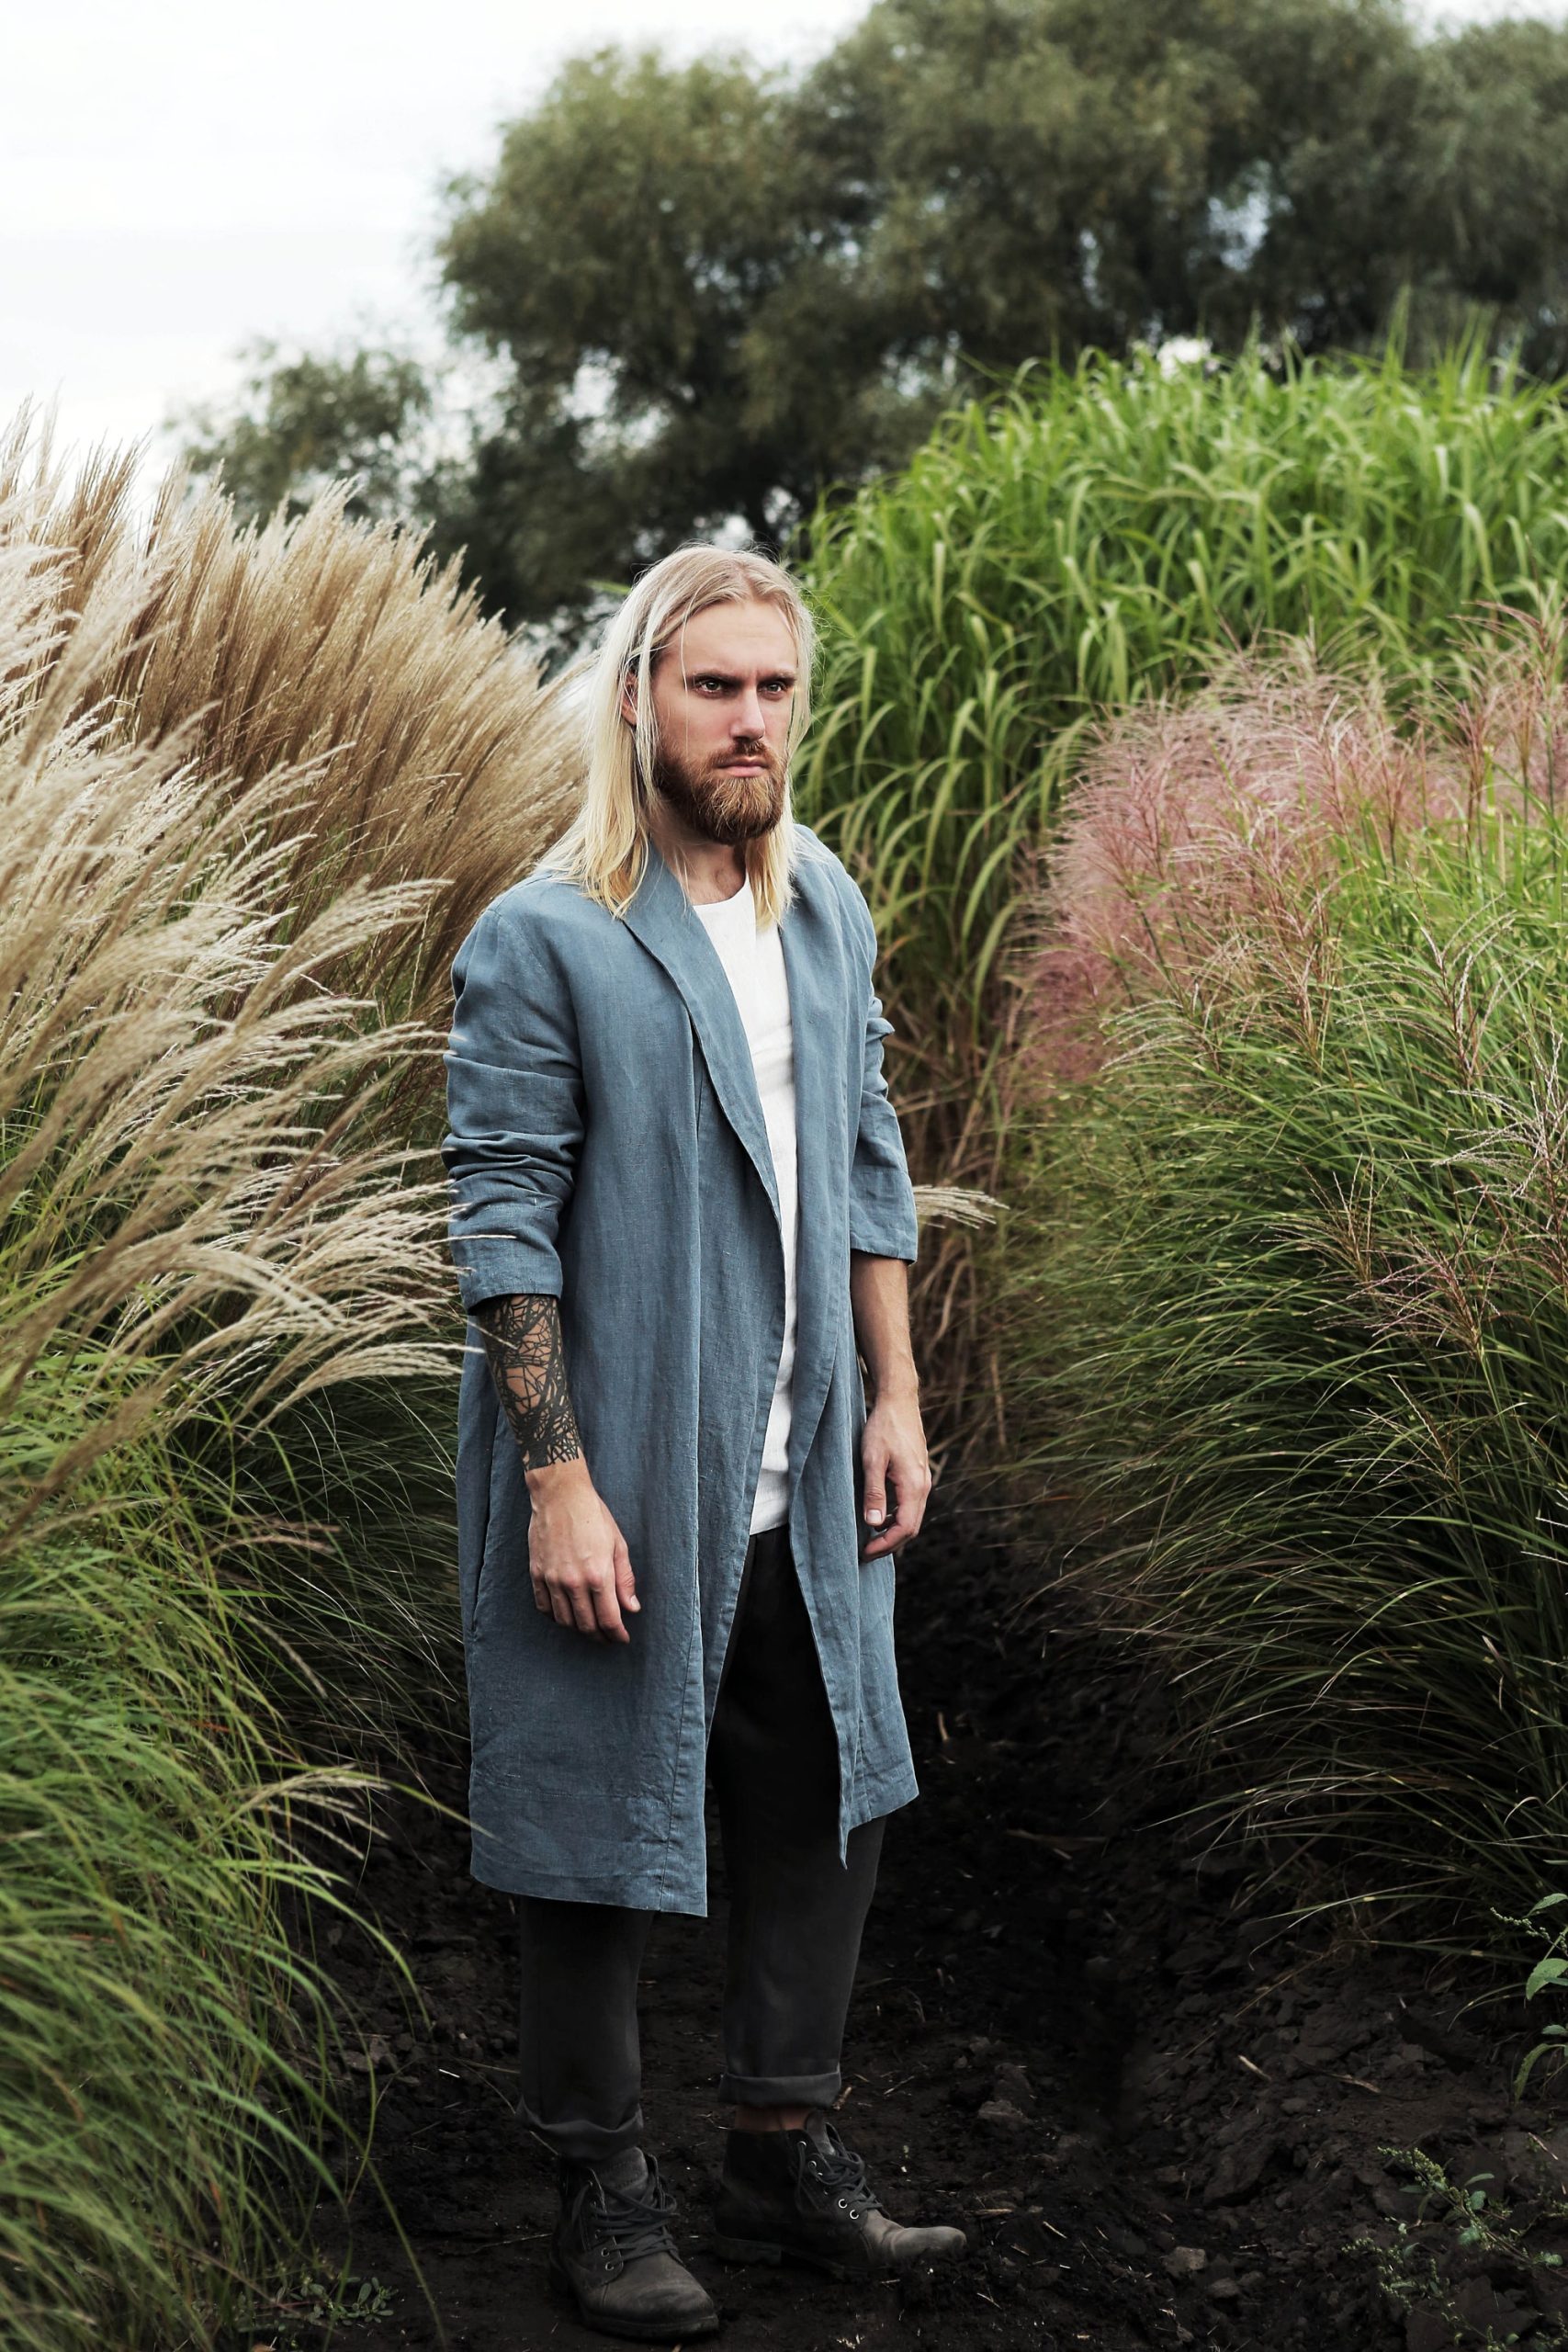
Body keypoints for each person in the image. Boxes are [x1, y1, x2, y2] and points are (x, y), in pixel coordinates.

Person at [441, 544, 966, 2341]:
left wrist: (895, 1397)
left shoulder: (820, 906)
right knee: (586, 1821)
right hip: (626, 1466)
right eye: (713, 686)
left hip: (806, 1458)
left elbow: (871, 1156)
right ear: (635, 700)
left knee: (828, 1791)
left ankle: (777, 2143)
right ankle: (601, 2182)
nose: (750, 721)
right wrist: (557, 1481)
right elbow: (503, 1223)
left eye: (773, 688)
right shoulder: (546, 935)